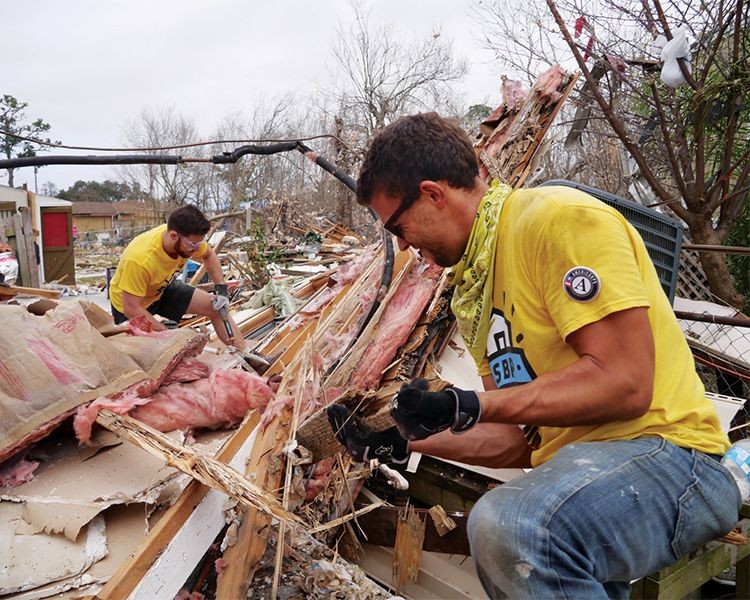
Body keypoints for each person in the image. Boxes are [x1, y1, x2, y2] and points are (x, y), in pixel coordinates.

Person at [327, 112, 740, 598]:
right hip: (588, 474)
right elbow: (515, 441)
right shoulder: (475, 289)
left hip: (674, 459)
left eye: (397, 224)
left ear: (434, 193)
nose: (400, 243)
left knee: (514, 526)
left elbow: (626, 381)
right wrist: (403, 442)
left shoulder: (555, 220)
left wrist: (469, 403)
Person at [109, 204, 247, 351]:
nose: (196, 249)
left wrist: (221, 288)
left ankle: (248, 357)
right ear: (174, 236)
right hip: (129, 304)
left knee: (216, 308)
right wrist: (169, 336)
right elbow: (131, 308)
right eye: (193, 244)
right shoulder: (139, 259)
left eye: (199, 243)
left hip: (160, 289)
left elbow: (208, 255)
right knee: (156, 354)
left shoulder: (188, 239)